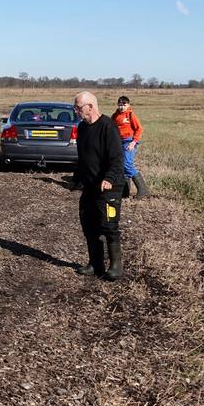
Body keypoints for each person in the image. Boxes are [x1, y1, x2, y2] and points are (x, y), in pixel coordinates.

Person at [71, 91, 125, 279]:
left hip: (109, 187)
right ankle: (95, 264)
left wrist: (109, 179)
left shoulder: (108, 127)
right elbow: (83, 157)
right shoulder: (83, 128)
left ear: (91, 106)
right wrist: (77, 178)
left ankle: (116, 267)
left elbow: (117, 159)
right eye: (75, 107)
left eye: (78, 107)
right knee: (88, 224)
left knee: (109, 225)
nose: (76, 111)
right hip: (90, 186)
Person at [112, 96, 149, 198]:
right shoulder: (115, 115)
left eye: (124, 105)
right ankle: (124, 193)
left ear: (128, 105)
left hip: (129, 141)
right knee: (122, 166)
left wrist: (134, 142)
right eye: (120, 104)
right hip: (119, 142)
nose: (122, 107)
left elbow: (139, 129)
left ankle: (143, 190)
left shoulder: (130, 115)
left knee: (127, 164)